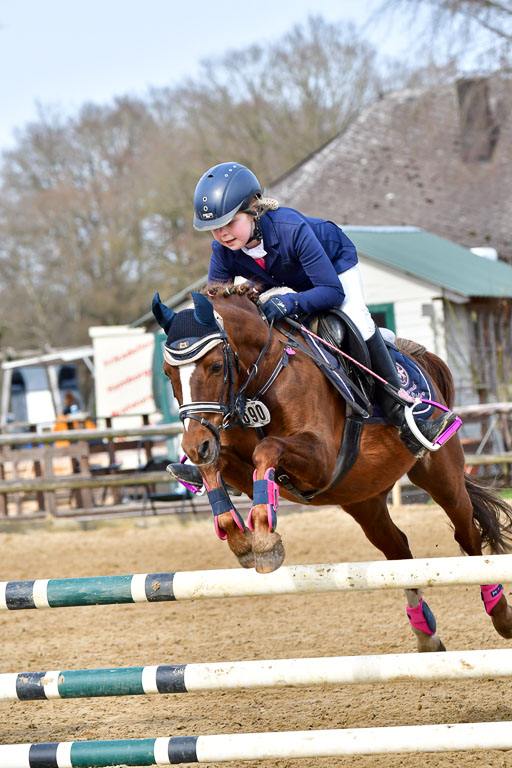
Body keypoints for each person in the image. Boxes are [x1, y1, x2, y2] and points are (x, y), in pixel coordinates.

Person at [169, 161, 459, 487]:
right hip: (281, 282)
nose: (222, 234)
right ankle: (218, 448)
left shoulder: (291, 229)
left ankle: (404, 412)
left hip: (332, 270)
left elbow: (331, 292)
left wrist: (290, 301)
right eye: (215, 228)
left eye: (229, 223)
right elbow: (216, 308)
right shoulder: (222, 249)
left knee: (358, 320)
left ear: (253, 211)